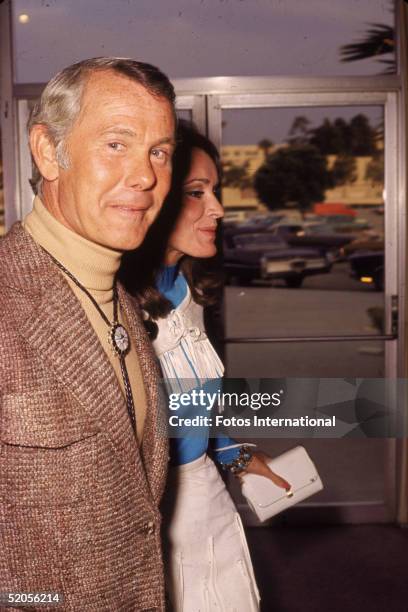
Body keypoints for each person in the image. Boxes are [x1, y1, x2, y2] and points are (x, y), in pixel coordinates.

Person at [0, 57, 176, 611]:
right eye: (117, 144)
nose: (146, 175)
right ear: (49, 151)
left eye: (159, 152)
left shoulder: (120, 300)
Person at [120, 121, 290, 611]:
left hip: (203, 491)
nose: (217, 208)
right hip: (144, 509)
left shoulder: (194, 291)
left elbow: (191, 407)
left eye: (215, 191)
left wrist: (234, 453)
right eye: (197, 192)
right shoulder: (113, 300)